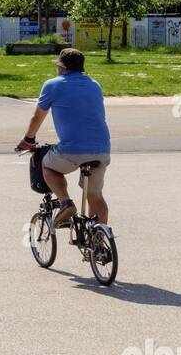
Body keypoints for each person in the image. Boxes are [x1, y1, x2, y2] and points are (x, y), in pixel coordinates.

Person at [15, 47, 112, 228]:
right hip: (102, 149)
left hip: (72, 150)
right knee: (95, 195)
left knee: (48, 164)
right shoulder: (94, 84)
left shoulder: (53, 84)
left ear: (62, 67)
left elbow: (37, 118)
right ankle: (99, 240)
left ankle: (66, 203)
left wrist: (28, 140)